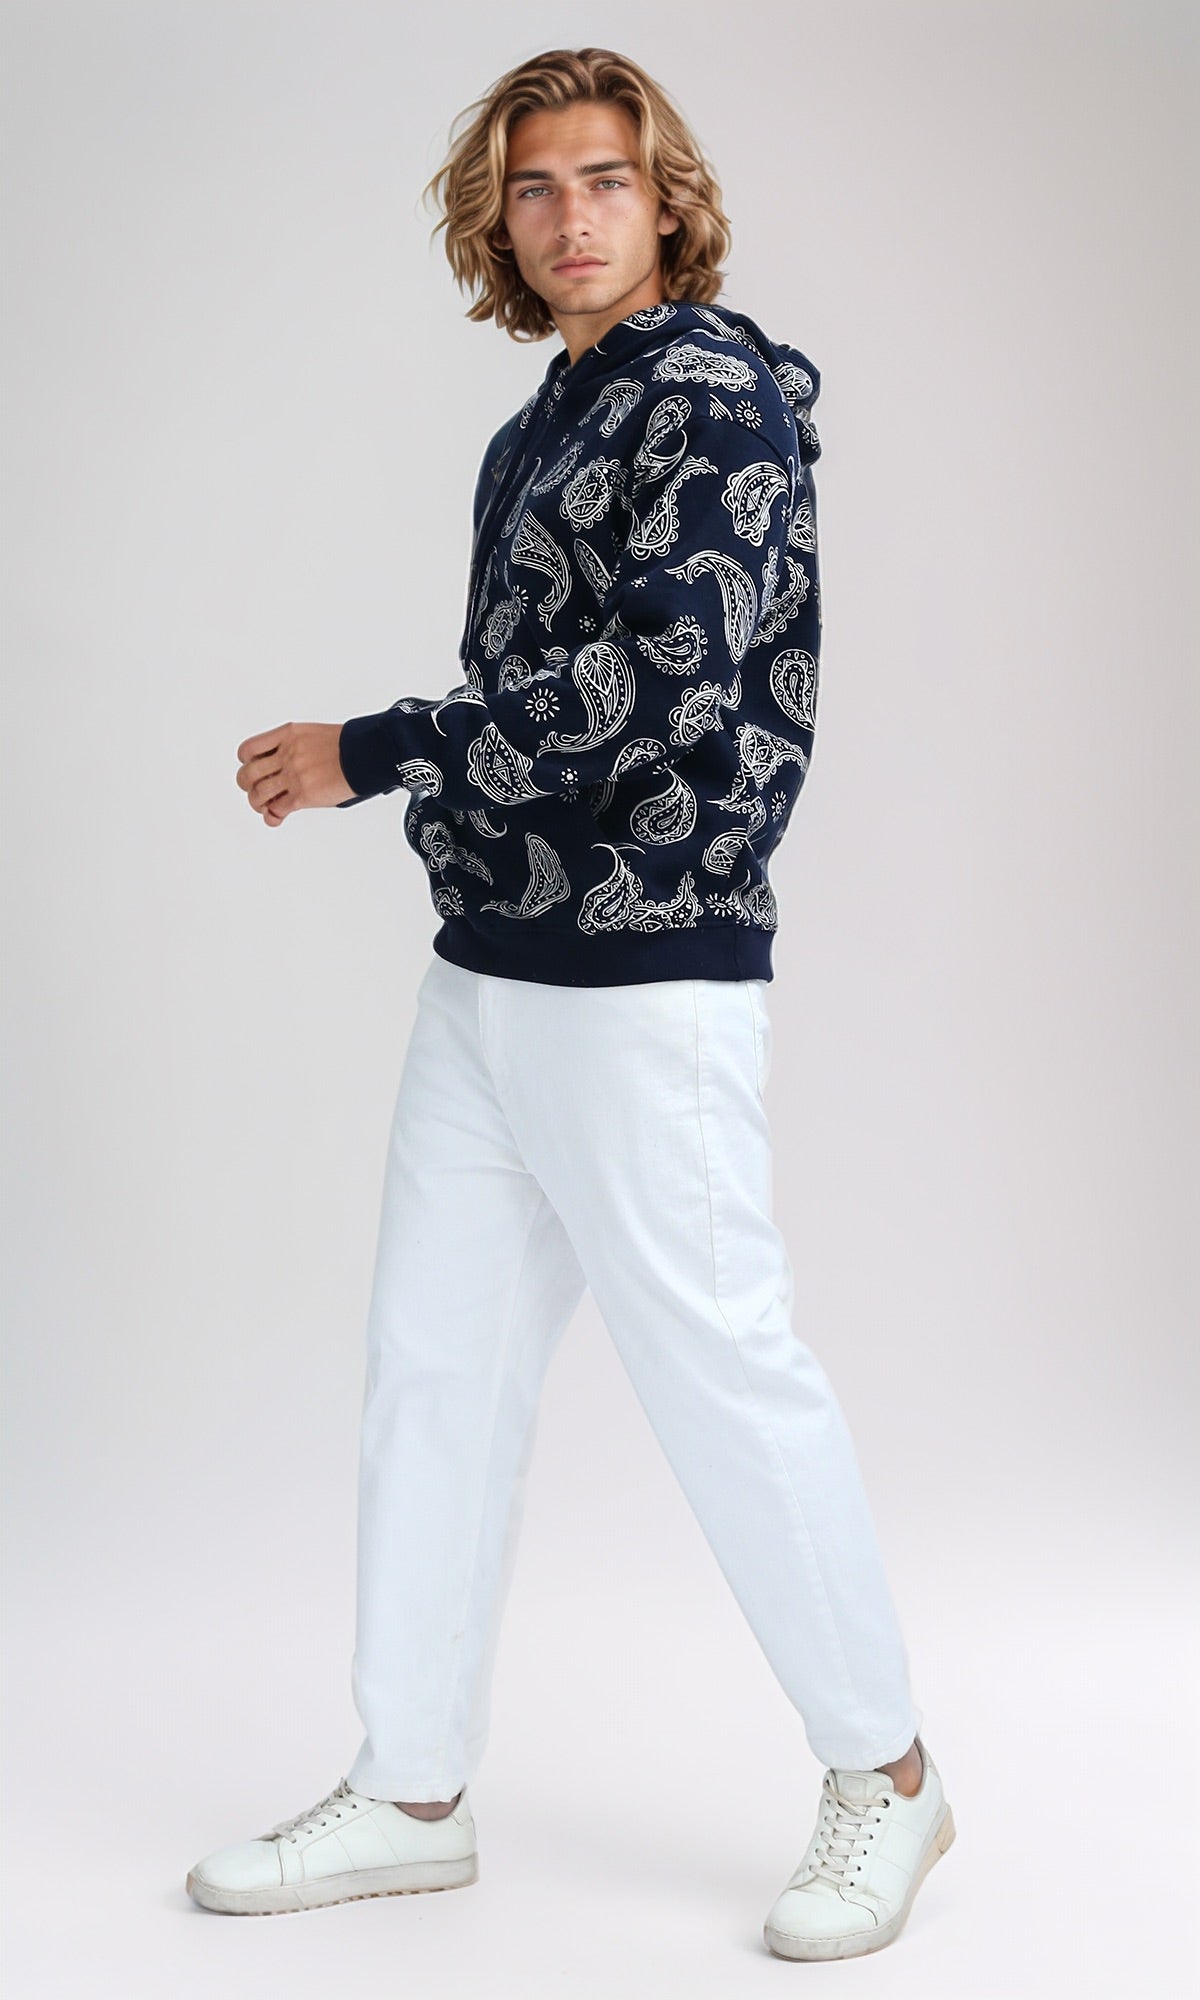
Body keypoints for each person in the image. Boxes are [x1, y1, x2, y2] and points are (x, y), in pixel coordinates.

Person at [187, 45, 955, 1961]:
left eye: (605, 178)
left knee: (724, 1373)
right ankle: (413, 1793)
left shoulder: (715, 396)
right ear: (500, 222)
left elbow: (668, 689)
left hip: (648, 972)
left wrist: (376, 748)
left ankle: (889, 1779)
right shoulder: (543, 421)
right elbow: (544, 693)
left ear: (665, 200)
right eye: (535, 187)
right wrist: (439, 796)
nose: (571, 215)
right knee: (434, 1370)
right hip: (492, 971)